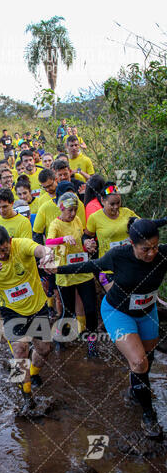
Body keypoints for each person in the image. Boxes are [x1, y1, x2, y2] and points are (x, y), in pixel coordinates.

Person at [52, 216, 167, 437]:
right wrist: (57, 270)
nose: (151, 253)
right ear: (132, 244)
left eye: (154, 247)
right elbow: (89, 265)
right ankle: (148, 415)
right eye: (145, 249)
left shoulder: (162, 254)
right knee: (138, 361)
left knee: (148, 359)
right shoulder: (118, 256)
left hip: (147, 312)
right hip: (118, 311)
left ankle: (136, 390)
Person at [0, 225, 54, 413]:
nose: (2, 255)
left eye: (5, 249)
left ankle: (34, 374)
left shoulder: (21, 245)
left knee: (45, 350)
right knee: (19, 351)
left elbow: (40, 249)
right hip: (11, 312)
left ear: (10, 241)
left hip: (37, 307)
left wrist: (47, 254)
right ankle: (26, 397)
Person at [46, 192, 98, 358]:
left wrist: (87, 245)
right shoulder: (55, 224)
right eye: (69, 210)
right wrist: (62, 239)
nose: (73, 213)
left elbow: (80, 239)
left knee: (91, 309)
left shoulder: (76, 220)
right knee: (67, 312)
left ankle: (92, 343)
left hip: (83, 270)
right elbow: (48, 242)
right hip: (64, 273)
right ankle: (60, 339)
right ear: (61, 209)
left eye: (75, 209)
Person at [84, 182, 138, 290]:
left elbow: (144, 227)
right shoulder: (95, 218)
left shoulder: (127, 213)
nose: (116, 207)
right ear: (103, 201)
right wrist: (87, 243)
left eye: (118, 203)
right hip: (108, 269)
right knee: (117, 302)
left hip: (130, 265)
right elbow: (86, 236)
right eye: (112, 204)